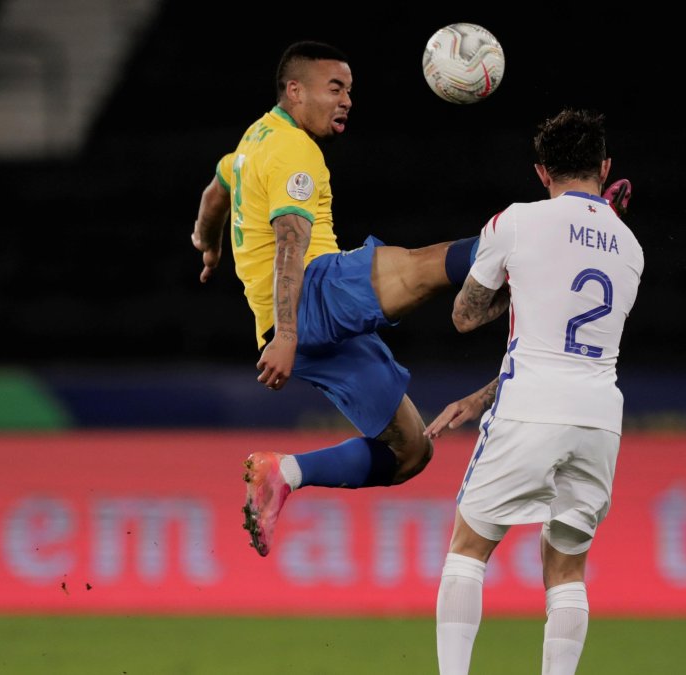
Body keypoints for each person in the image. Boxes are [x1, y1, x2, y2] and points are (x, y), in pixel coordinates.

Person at [189, 39, 636, 557]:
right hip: (311, 294)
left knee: (410, 450)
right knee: (425, 268)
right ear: (295, 90)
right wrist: (287, 334)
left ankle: (284, 472)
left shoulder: (250, 142)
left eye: (350, 90)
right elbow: (290, 240)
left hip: (299, 328)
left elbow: (214, 194)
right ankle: (575, 221)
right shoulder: (294, 149)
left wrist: (208, 244)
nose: (346, 100)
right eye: (334, 88)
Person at [423, 108, 644, 675]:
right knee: (568, 571)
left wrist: (517, 278)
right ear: (605, 166)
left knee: (468, 548)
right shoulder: (630, 248)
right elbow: (567, 344)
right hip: (599, 418)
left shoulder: (516, 221)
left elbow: (466, 317)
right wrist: (482, 395)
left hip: (530, 409)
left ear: (542, 172)